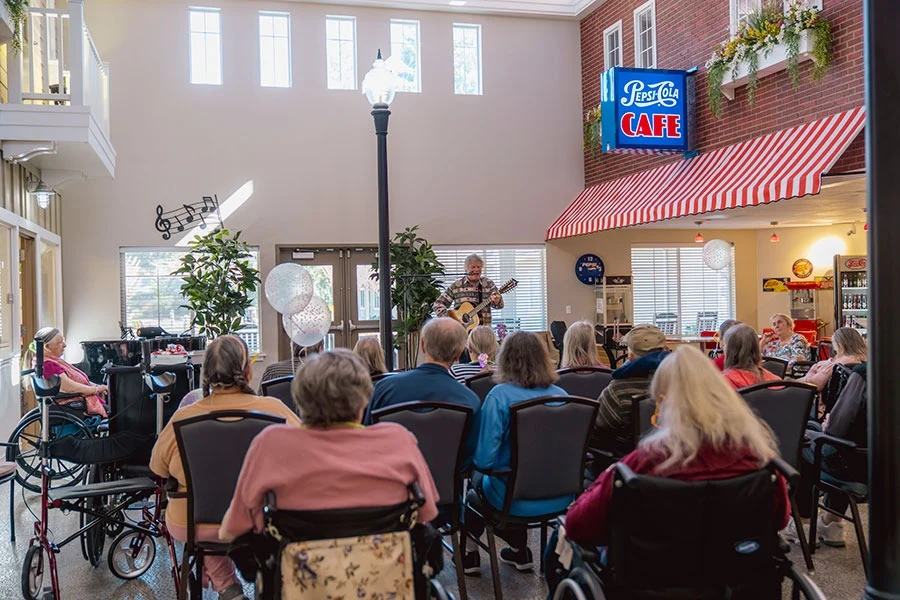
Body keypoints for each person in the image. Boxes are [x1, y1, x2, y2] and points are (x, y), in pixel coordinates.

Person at [545, 346, 789, 595]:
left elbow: (579, 524)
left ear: (662, 403)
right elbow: (779, 519)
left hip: (649, 582)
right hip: (736, 581)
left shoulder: (642, 464)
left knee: (561, 538)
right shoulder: (758, 458)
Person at [220, 349, 440, 560]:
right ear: (363, 398)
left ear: (300, 398)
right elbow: (427, 514)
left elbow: (233, 530)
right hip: (387, 583)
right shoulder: (398, 440)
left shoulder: (271, 444)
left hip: (297, 584)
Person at [150, 335, 301, 600]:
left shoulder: (183, 417)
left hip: (194, 522)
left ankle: (227, 587)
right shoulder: (275, 411)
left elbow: (158, 468)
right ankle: (267, 580)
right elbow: (307, 453)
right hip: (260, 519)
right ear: (248, 371)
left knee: (212, 513)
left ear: (205, 373)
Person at [461, 331, 567, 575]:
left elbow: (484, 460)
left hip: (511, 500)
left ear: (505, 358)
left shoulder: (499, 396)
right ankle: (520, 550)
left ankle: (470, 555)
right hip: (561, 496)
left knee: (475, 488)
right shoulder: (562, 396)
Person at [363, 318, 481, 462]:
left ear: (423, 345)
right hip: (443, 483)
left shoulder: (384, 389)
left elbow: (366, 440)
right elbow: (468, 458)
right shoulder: (469, 400)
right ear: (458, 354)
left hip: (391, 479)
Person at [791, 363, 868, 548]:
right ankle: (831, 523)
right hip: (885, 471)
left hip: (856, 470)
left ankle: (804, 523)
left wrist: (827, 425)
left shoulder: (864, 373)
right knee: (836, 448)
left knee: (804, 440)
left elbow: (837, 427)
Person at [590, 325, 668, 461]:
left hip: (630, 463)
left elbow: (600, 427)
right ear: (666, 350)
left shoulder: (618, 390)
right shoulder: (681, 385)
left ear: (630, 356)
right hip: (677, 461)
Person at [32, 327, 108, 417]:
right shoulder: (48, 365)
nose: (64, 345)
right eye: (60, 342)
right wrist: (96, 389)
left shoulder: (53, 361)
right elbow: (69, 387)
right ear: (47, 347)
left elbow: (79, 382)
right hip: (73, 407)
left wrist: (98, 386)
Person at [433, 254, 503, 326]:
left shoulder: (489, 284)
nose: (476, 269)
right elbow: (438, 304)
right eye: (473, 267)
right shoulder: (456, 286)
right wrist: (449, 319)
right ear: (466, 269)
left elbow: (500, 306)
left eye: (479, 267)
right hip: (462, 332)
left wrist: (497, 301)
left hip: (484, 330)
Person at [801, 327, 867, 391]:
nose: (834, 349)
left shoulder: (840, 364)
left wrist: (813, 370)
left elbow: (814, 384)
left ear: (840, 346)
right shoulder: (867, 359)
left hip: (815, 394)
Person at [721, 324, 782, 389]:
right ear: (756, 348)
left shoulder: (723, 383)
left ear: (729, 350)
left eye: (724, 345)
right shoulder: (778, 382)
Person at [256, 340, 324, 392]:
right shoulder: (325, 372)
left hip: (278, 410)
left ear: (292, 347)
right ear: (320, 349)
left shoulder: (272, 371)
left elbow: (260, 400)